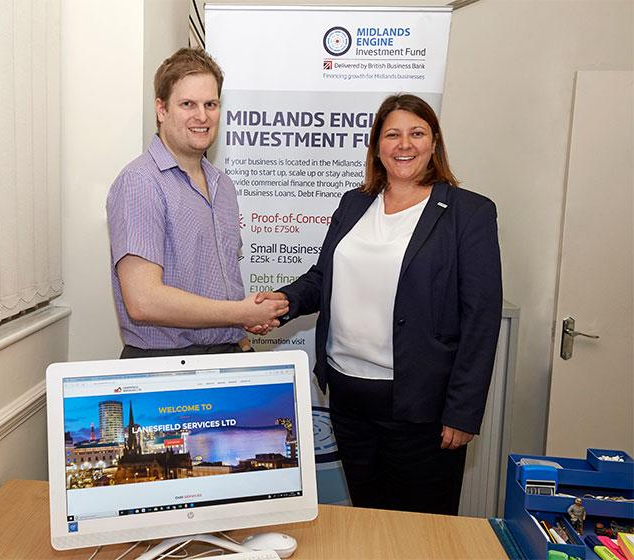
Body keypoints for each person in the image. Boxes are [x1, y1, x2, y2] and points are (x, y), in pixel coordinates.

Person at [251, 94, 502, 515]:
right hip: (349, 399)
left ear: (434, 142)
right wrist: (284, 301)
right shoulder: (354, 203)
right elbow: (323, 277)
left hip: (421, 408)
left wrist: (463, 412)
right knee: (369, 520)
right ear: (377, 146)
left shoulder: (468, 213)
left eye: (417, 133)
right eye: (393, 135)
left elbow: (481, 317)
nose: (405, 144)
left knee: (422, 533)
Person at [107, 48, 288, 358]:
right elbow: (143, 300)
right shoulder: (141, 182)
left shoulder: (223, 186)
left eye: (211, 104)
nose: (202, 116)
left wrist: (243, 323)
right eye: (188, 104)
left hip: (227, 356)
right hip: (166, 370)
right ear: (161, 110)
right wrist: (238, 313)